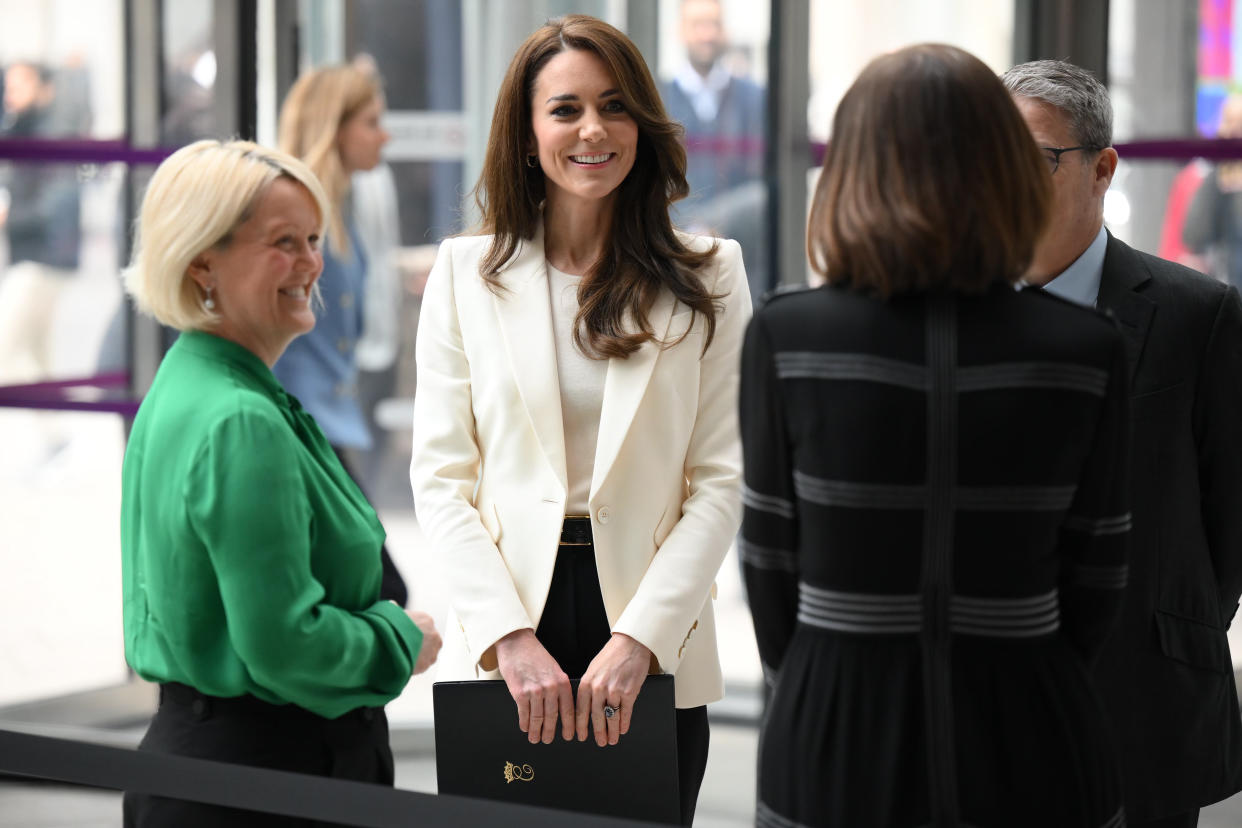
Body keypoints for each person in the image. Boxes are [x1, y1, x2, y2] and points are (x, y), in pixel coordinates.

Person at [743, 44, 1131, 828]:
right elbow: (1099, 576)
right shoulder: (1087, 348)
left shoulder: (789, 335)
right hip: (1035, 728)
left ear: (851, 166)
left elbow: (770, 570)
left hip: (834, 732)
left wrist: (835, 668)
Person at [409, 14, 750, 825]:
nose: (593, 130)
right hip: (509, 627)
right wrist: (505, 638)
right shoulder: (464, 274)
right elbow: (441, 477)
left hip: (649, 626)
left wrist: (642, 640)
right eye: (564, 109)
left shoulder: (712, 273)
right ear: (528, 135)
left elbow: (724, 479)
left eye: (615, 106)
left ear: (643, 122)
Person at [120, 139, 441, 827]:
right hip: (270, 784)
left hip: (212, 771)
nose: (311, 263)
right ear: (203, 260)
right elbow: (285, 643)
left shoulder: (190, 379)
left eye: (314, 239)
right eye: (283, 242)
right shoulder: (242, 417)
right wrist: (399, 640)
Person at [1003, 59, 1242, 828]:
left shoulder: (1195, 315)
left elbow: (1229, 510)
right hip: (991, 705)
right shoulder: (950, 315)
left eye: (1034, 161)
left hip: (1145, 695)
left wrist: (1178, 627)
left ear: (1102, 169)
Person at [273, 64, 409, 607]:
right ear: (336, 126)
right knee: (380, 588)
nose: (384, 135)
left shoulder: (343, 210)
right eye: (372, 122)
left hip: (327, 429)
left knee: (367, 588)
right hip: (302, 434)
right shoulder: (294, 217)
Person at [661, 0, 767, 300]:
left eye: (714, 24)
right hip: (671, 256)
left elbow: (764, 182)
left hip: (743, 257)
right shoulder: (657, 98)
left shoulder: (756, 100)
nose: (707, 34)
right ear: (680, 31)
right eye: (697, 24)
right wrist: (687, 229)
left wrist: (718, 224)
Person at [0, 60, 81, 383]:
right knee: (38, 352)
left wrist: (9, 217)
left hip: (45, 257)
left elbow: (55, 204)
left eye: (19, 86)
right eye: (8, 86)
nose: (10, 95)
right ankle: (55, 432)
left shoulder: (55, 136)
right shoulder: (21, 129)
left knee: (7, 344)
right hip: (30, 253)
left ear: (43, 88)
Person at [1183, 92, 1242, 289]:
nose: (1233, 131)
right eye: (1228, 122)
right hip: (1223, 293)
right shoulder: (1211, 179)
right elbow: (1194, 236)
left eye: (1239, 124)